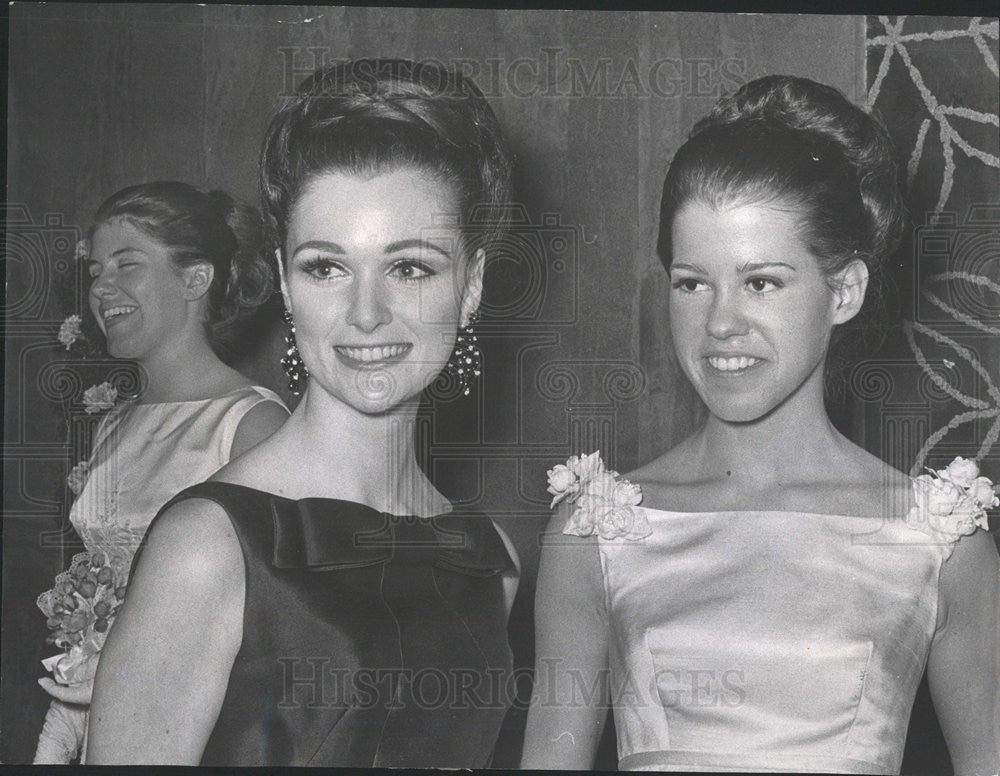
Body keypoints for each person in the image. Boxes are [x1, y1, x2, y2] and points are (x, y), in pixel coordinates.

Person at [522, 75, 1000, 774]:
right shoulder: (593, 528)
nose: (720, 323)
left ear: (844, 291)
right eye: (692, 283)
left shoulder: (940, 540)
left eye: (761, 283)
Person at [87, 59, 520, 767]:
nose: (367, 314)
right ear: (287, 284)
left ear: (469, 286)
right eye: (327, 267)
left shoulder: (489, 560)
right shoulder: (211, 547)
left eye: (409, 267)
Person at [33, 181, 289, 764]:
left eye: (128, 264)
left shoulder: (253, 425)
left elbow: (281, 628)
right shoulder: (112, 425)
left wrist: (129, 676)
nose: (101, 287)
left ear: (194, 280)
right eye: (97, 269)